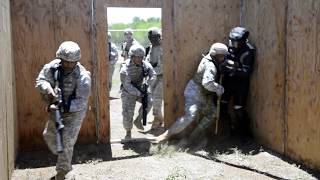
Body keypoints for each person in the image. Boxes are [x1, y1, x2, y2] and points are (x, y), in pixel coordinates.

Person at [35, 41, 91, 180]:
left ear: (77, 61)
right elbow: (40, 80)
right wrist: (48, 88)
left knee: (66, 142)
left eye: (72, 62)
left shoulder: (83, 76)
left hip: (75, 113)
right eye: (65, 61)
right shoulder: (53, 67)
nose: (68, 65)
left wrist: (62, 106)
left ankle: (62, 172)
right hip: (57, 109)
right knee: (49, 135)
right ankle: (63, 159)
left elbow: (81, 102)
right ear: (60, 58)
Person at [155, 43, 227, 143]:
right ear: (214, 55)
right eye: (221, 56)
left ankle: (193, 136)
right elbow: (207, 83)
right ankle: (166, 135)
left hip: (202, 92)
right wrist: (219, 88)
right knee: (190, 116)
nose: (223, 59)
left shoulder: (209, 58)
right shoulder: (211, 66)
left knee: (212, 113)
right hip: (195, 91)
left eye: (224, 56)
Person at [220, 27, 255, 136]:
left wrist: (231, 69)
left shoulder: (248, 51)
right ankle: (228, 131)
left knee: (238, 109)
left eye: (235, 42)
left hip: (241, 83)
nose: (232, 43)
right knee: (222, 105)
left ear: (242, 42)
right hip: (228, 80)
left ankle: (245, 135)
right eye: (231, 40)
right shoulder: (231, 46)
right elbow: (226, 59)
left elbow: (246, 71)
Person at [120, 44, 156, 138]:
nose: (140, 59)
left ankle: (139, 119)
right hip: (128, 91)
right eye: (137, 57)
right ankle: (128, 131)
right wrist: (139, 93)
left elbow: (153, 75)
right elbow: (127, 85)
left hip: (140, 88)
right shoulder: (125, 69)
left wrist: (148, 86)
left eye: (141, 57)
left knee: (149, 101)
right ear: (132, 56)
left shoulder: (145, 65)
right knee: (128, 113)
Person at [145, 27, 164, 130]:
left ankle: (157, 119)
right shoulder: (152, 47)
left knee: (157, 99)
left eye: (153, 37)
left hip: (162, 77)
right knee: (151, 98)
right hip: (154, 77)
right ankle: (159, 117)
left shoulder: (163, 48)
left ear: (158, 37)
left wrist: (151, 70)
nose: (152, 39)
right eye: (150, 37)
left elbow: (162, 67)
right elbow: (148, 60)